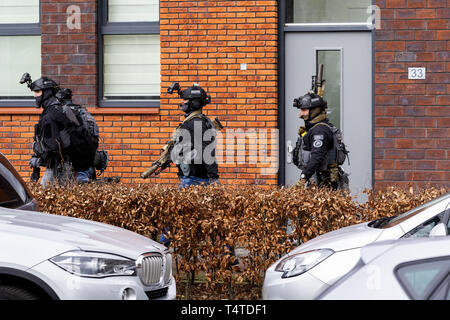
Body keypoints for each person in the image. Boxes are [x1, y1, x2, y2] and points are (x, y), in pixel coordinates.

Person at [159, 83, 220, 246]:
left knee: (175, 219)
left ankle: (160, 249)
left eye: (185, 101)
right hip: (196, 178)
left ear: (194, 103)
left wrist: (214, 179)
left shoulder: (195, 123)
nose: (182, 104)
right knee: (216, 221)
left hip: (194, 180)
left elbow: (208, 152)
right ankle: (228, 256)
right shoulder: (197, 121)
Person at [293, 92, 349, 190]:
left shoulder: (320, 131)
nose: (301, 114)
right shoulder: (319, 128)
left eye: (303, 110)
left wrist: (302, 179)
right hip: (322, 182)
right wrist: (304, 134)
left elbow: (317, 157)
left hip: (323, 184)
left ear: (314, 111)